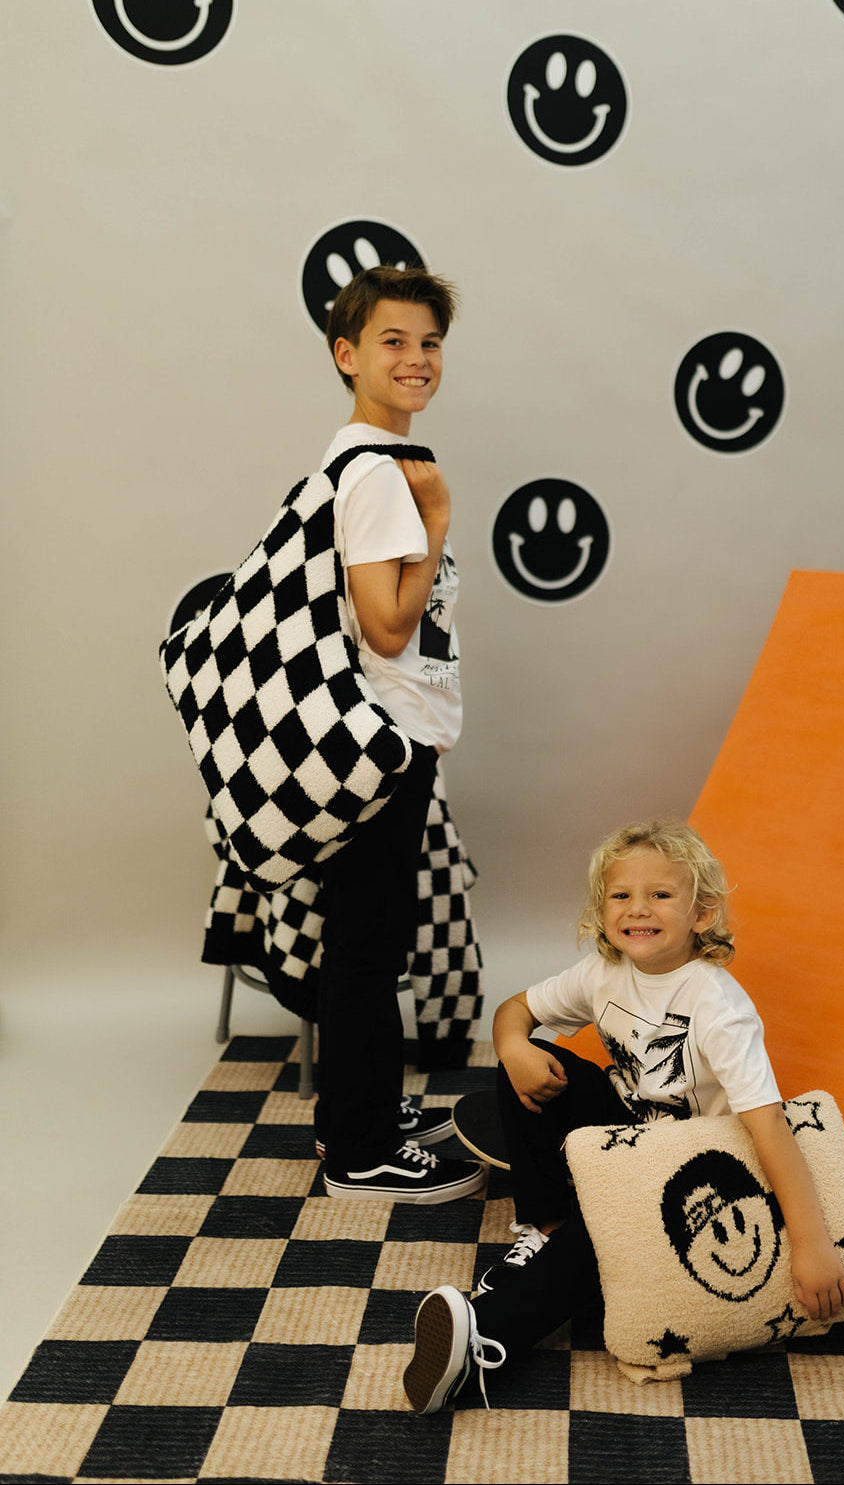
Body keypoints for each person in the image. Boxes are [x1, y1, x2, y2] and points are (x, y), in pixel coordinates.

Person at [402, 819, 844, 1410]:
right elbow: (515, 1010)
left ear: (702, 913)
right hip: (633, 1132)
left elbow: (768, 1124)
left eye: (661, 895)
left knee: (610, 1239)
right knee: (529, 1062)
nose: (638, 909)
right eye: (621, 895)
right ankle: (545, 1226)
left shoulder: (718, 1007)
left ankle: (487, 1341)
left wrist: (812, 1241)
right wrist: (513, 1047)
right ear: (601, 909)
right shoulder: (603, 971)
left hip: (700, 1159)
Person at [314, 265, 484, 1204]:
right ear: (347, 355)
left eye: (428, 342)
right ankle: (361, 1152)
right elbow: (386, 625)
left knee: (365, 936)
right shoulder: (382, 475)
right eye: (392, 341)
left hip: (374, 734)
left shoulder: (365, 462)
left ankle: (356, 1111)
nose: (416, 359)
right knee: (371, 944)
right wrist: (440, 519)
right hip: (383, 738)